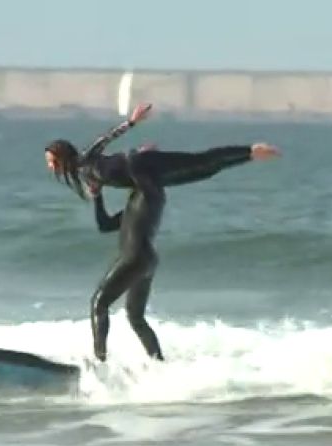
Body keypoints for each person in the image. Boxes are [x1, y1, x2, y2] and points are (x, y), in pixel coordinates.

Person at [44, 103, 280, 362]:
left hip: (139, 202)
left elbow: (103, 141)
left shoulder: (90, 163)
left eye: (52, 161)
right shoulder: (128, 198)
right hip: (146, 256)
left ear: (62, 156)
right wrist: (98, 197)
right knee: (135, 317)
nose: (50, 167)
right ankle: (159, 366)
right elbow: (105, 226)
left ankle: (99, 361)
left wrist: (132, 126)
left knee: (99, 305)